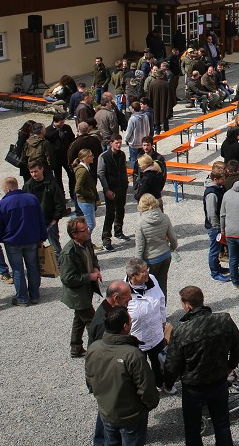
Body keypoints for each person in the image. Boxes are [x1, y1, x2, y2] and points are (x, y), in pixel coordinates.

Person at [164, 285, 239, 446]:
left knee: (192, 428)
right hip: (218, 380)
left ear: (187, 306)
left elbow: (172, 362)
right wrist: (230, 365)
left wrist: (168, 383)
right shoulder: (224, 320)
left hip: (193, 387)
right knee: (222, 424)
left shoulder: (181, 331)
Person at [85, 306, 160, 446]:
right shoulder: (132, 354)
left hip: (106, 412)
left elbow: (90, 378)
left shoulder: (93, 348)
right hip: (131, 416)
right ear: (125, 326)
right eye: (130, 321)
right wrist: (148, 406)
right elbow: (146, 387)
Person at [0, 176, 49, 307]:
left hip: (12, 242)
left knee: (17, 270)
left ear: (7, 189)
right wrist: (42, 237)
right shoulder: (32, 199)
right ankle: (35, 296)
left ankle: (22, 298)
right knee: (33, 267)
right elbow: (41, 219)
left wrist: (2, 238)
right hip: (31, 239)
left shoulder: (2, 204)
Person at [123, 259, 169, 392]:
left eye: (146, 269)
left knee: (160, 362)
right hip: (137, 339)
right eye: (143, 271)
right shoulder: (124, 291)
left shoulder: (152, 279)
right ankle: (144, 390)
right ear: (133, 276)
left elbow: (161, 300)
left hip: (156, 334)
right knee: (139, 368)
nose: (147, 273)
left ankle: (162, 384)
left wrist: (163, 320)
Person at [60, 216, 103, 357]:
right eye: (84, 230)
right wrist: (89, 277)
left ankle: (76, 347)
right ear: (75, 234)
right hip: (78, 295)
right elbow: (67, 278)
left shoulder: (86, 241)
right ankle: (100, 353)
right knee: (94, 323)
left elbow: (93, 257)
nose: (88, 232)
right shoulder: (68, 253)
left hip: (86, 289)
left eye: (87, 229)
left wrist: (96, 268)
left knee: (79, 319)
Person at [135, 194, 178, 299]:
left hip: (151, 259)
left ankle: (154, 311)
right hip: (165, 255)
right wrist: (172, 248)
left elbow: (140, 247)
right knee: (163, 284)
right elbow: (173, 238)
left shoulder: (141, 223)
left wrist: (138, 265)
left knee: (150, 287)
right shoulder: (164, 217)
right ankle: (163, 310)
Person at [97, 136, 129, 251]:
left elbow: (123, 169)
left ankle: (118, 231)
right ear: (111, 143)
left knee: (121, 210)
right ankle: (106, 239)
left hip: (122, 187)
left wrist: (125, 182)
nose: (119, 145)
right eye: (117, 143)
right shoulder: (104, 156)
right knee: (110, 214)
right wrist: (106, 189)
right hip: (111, 189)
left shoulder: (122, 154)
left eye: (120, 143)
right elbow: (101, 174)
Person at [203, 166, 230, 282]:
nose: (224, 181)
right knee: (214, 250)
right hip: (215, 227)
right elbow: (211, 214)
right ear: (215, 179)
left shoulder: (219, 188)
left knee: (217, 248)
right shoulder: (212, 193)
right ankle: (215, 273)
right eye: (222, 179)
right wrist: (218, 227)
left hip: (219, 225)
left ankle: (218, 268)